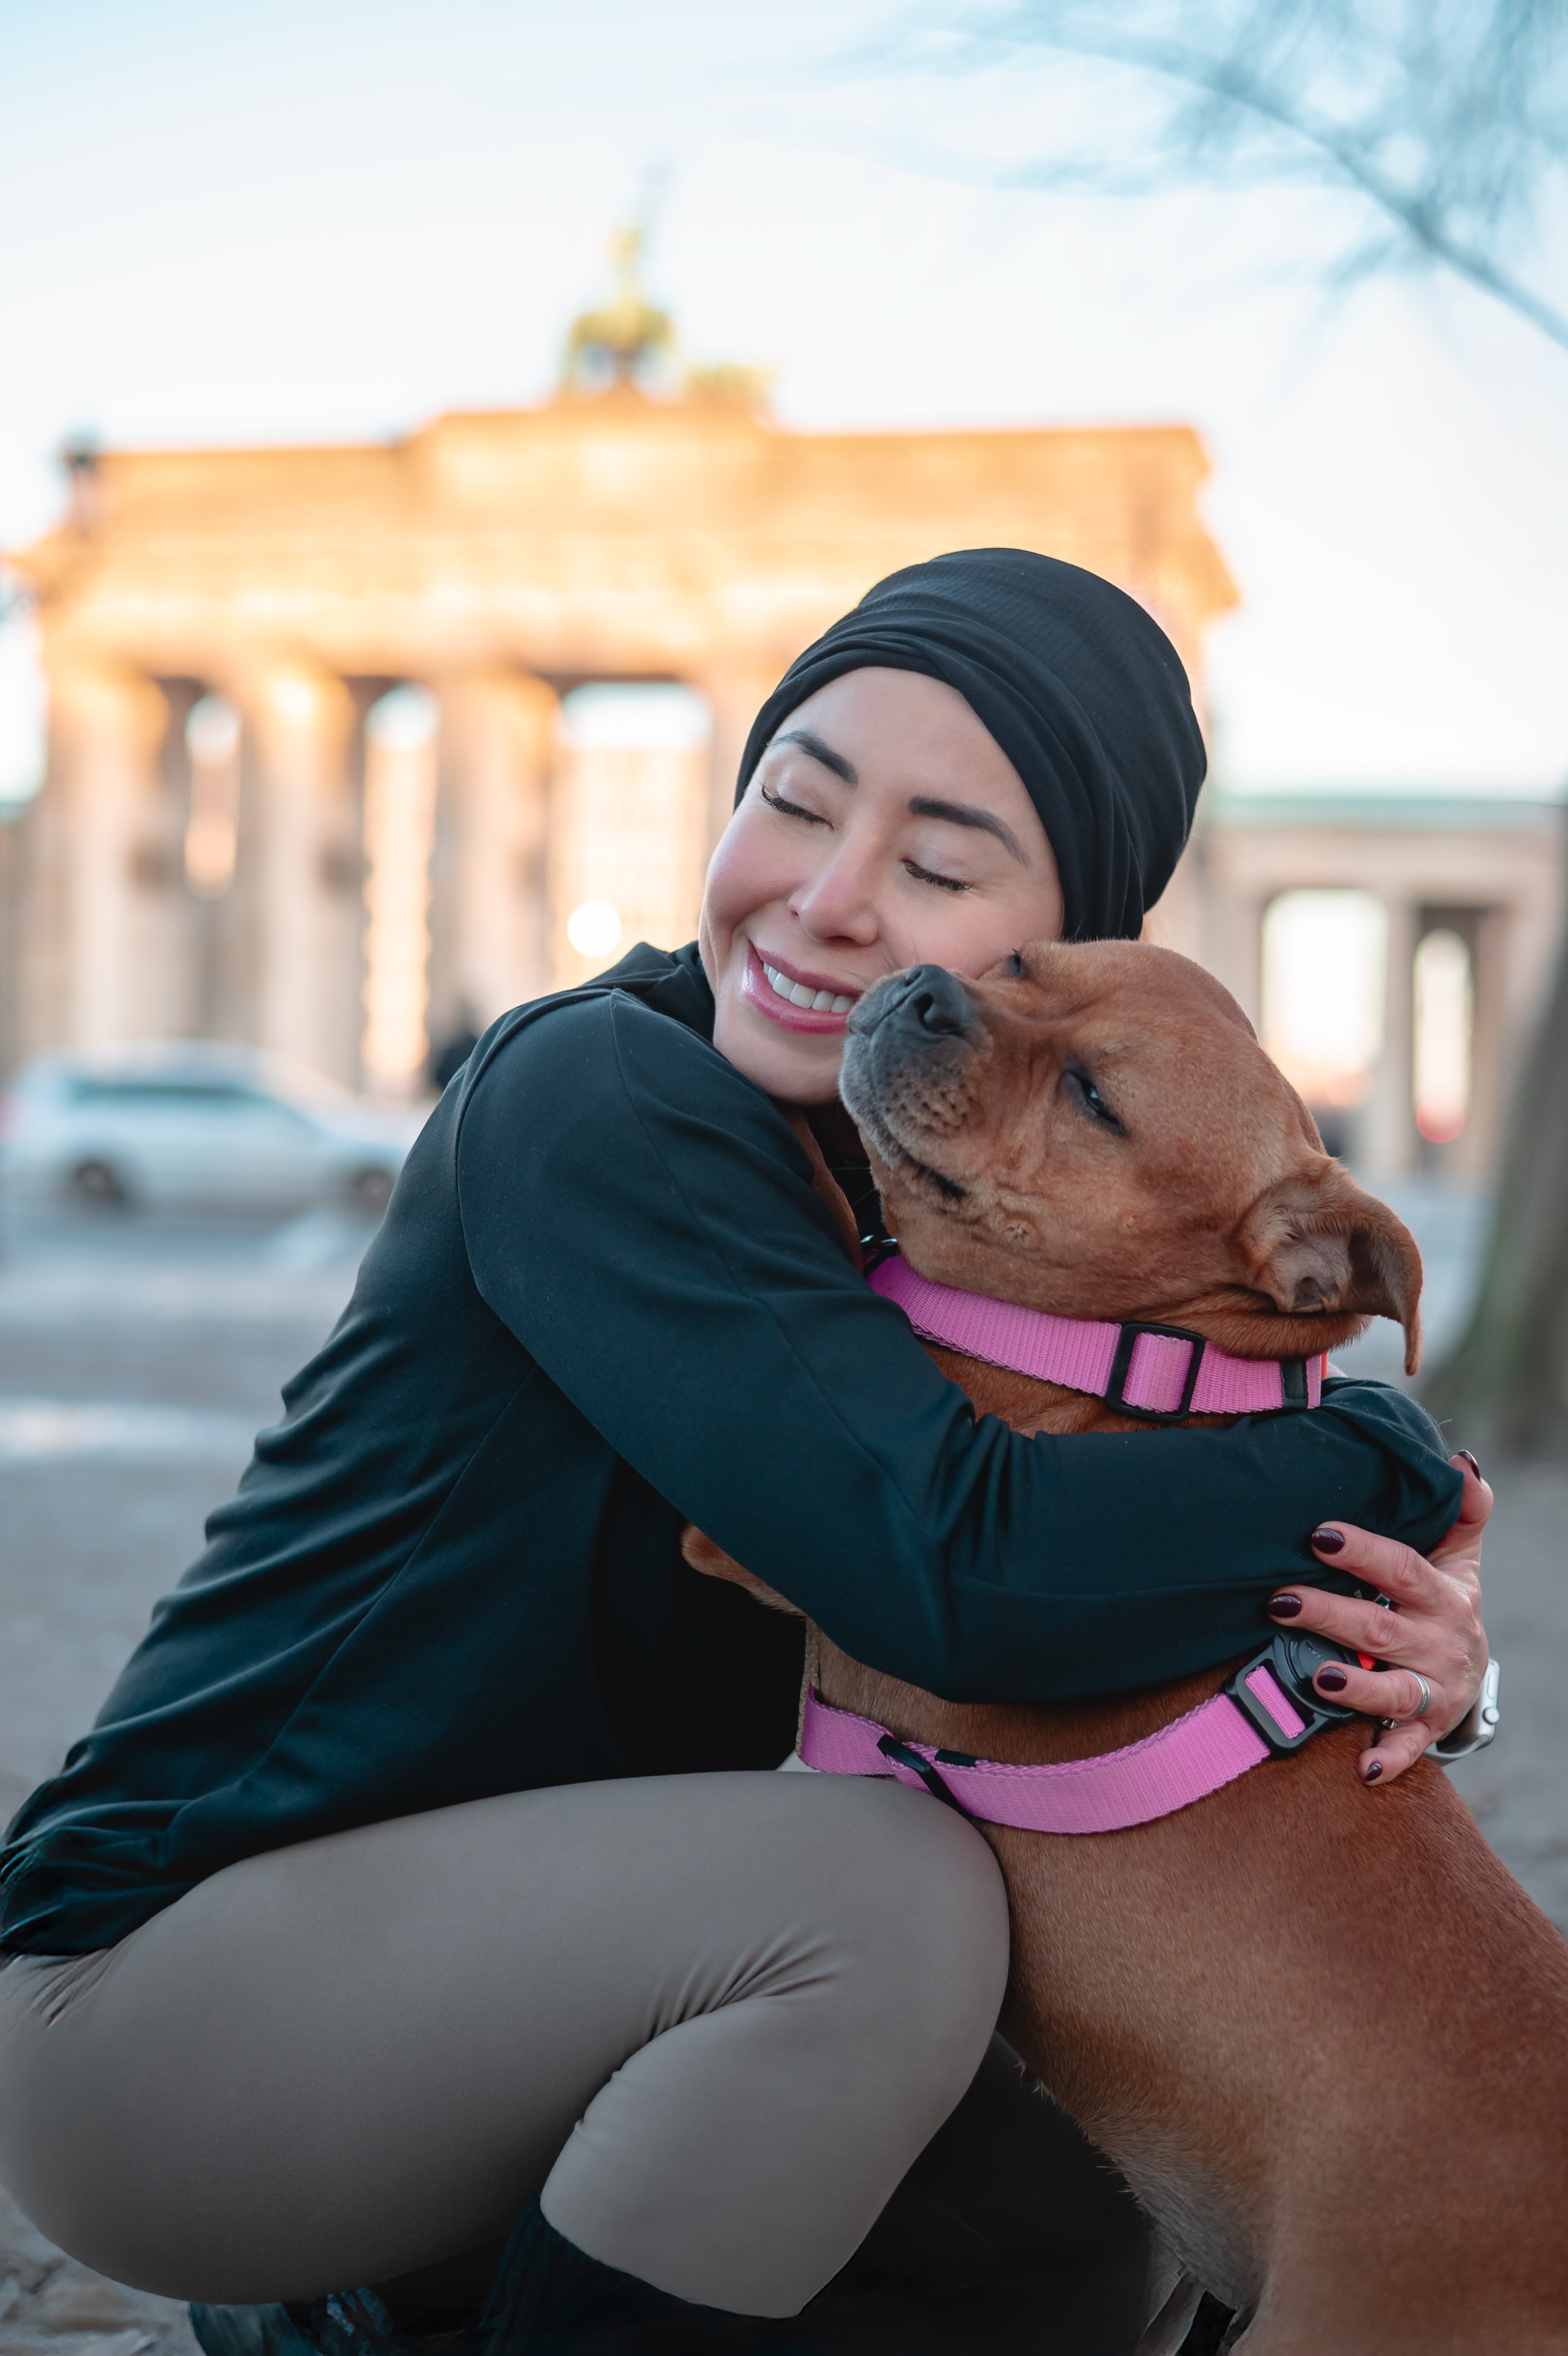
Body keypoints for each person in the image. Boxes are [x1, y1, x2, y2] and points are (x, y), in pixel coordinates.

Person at [0, 552, 1488, 2356]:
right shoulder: (595, 1093)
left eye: (943, 874)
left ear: (1072, 947)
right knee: (887, 1905)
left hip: (518, 1991)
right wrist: (1379, 1462)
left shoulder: (960, 1212)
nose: (834, 900)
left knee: (1064, 2184)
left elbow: (1094, 1667)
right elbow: (958, 1568)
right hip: (155, 2021)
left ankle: (424, 2304)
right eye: (792, 800)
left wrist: (1400, 1656)